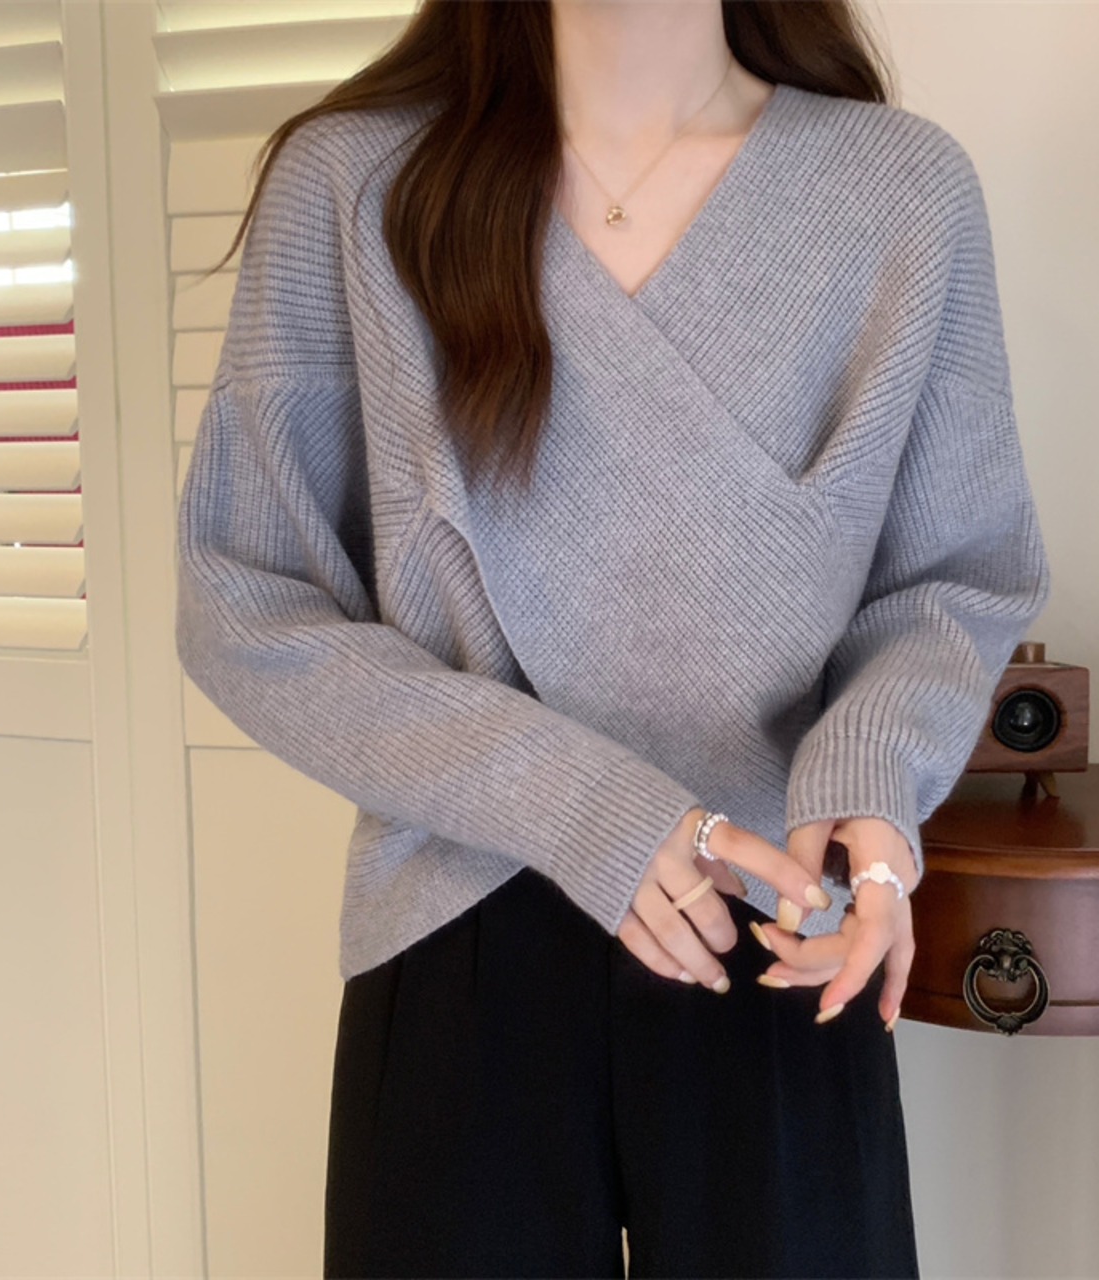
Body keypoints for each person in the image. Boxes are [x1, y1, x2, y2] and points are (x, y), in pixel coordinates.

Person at [174, 0, 1052, 1275]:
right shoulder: (359, 184)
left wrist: (870, 779)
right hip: (461, 918)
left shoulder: (897, 190)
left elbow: (950, 579)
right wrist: (585, 807)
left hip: (779, 916)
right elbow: (243, 595)